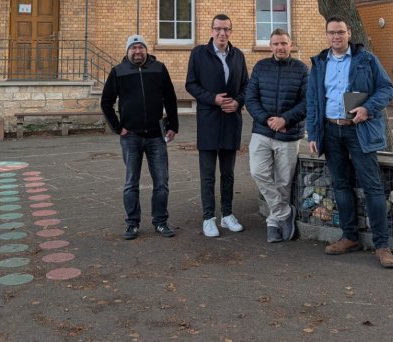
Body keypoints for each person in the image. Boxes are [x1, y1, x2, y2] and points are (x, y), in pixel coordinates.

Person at [305, 16, 393, 269]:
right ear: (327, 35)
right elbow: (313, 100)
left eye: (340, 32)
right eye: (331, 33)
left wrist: (368, 108)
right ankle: (349, 237)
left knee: (372, 187)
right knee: (341, 185)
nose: (336, 37)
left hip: (358, 131)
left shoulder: (366, 59)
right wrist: (312, 133)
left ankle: (382, 246)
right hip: (330, 131)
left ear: (349, 34)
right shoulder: (319, 63)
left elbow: (387, 89)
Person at [101, 34, 179, 240]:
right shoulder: (118, 71)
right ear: (127, 52)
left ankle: (160, 221)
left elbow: (170, 98)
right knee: (131, 183)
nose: (137, 51)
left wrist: (174, 125)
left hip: (156, 136)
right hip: (131, 137)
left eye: (141, 48)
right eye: (133, 48)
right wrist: (118, 128)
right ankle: (132, 223)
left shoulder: (159, 68)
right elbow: (106, 102)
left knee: (161, 182)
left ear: (146, 50)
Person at [185, 14, 249, 237]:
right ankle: (208, 217)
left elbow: (246, 86)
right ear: (211, 30)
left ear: (231, 31)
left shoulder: (238, 55)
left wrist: (238, 102)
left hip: (231, 121)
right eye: (218, 29)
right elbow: (190, 84)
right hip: (209, 121)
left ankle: (228, 215)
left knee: (228, 173)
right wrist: (213, 99)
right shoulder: (199, 54)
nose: (223, 33)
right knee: (208, 174)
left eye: (227, 29)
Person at [245, 29, 308, 243]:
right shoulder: (261, 67)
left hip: (289, 134)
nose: (280, 47)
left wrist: (285, 120)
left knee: (283, 182)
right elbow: (251, 98)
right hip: (262, 131)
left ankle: (273, 223)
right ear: (270, 46)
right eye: (276, 44)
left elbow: (307, 102)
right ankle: (284, 213)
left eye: (283, 43)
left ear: (291, 44)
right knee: (258, 172)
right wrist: (268, 120)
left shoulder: (301, 69)